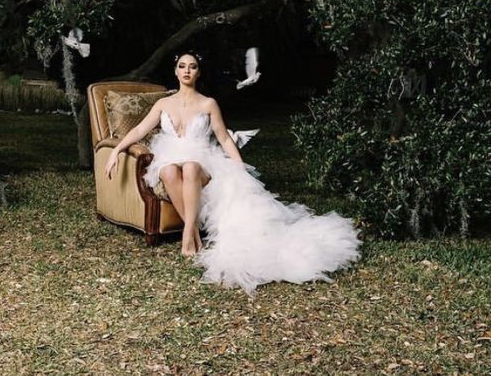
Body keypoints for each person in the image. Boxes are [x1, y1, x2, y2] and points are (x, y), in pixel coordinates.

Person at [104, 51, 360, 295]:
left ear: (198, 72)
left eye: (192, 67)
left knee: (191, 167)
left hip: (202, 160)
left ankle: (186, 234)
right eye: (182, 66)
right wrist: (116, 151)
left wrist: (239, 167)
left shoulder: (208, 103)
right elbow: (139, 131)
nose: (186, 71)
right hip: (170, 157)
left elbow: (225, 140)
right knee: (169, 171)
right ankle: (193, 235)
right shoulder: (163, 103)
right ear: (175, 70)